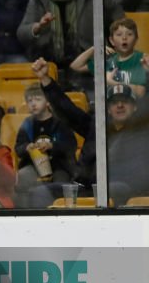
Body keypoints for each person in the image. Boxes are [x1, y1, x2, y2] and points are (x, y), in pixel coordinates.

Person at [31, 57, 149, 205]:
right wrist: (46, 80)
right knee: (40, 192)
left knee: (112, 188)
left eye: (125, 101)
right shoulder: (96, 126)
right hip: (83, 188)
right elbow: (68, 110)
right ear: (108, 109)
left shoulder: (141, 130)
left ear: (135, 108)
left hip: (119, 190)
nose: (119, 105)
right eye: (114, 102)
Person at [17, 0, 123, 79]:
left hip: (86, 58)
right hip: (50, 60)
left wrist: (118, 39)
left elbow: (116, 11)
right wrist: (38, 27)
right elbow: (21, 33)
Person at [14, 82, 78, 207]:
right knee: (22, 176)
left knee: (61, 182)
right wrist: (27, 147)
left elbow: (71, 145)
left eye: (38, 99)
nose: (33, 103)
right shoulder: (27, 124)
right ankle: (25, 213)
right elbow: (18, 148)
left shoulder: (60, 122)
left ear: (48, 102)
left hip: (59, 166)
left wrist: (52, 146)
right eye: (29, 101)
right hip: (33, 166)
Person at [70, 18, 147, 98]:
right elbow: (75, 66)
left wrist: (111, 82)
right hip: (109, 108)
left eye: (129, 34)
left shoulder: (142, 59)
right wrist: (94, 49)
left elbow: (140, 92)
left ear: (136, 39)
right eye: (119, 34)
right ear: (111, 40)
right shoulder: (108, 60)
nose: (124, 37)